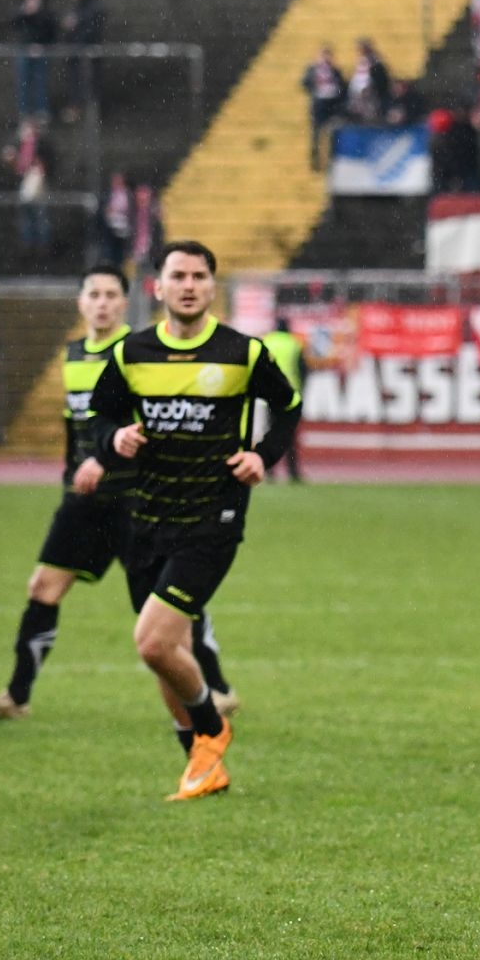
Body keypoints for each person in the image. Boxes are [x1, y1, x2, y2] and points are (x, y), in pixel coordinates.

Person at [0, 268, 236, 729]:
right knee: (42, 589)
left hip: (136, 498)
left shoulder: (143, 354)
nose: (103, 303)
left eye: (112, 295)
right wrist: (75, 470)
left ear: (125, 303)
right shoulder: (73, 356)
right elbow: (80, 427)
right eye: (95, 294)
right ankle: (16, 695)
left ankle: (218, 690)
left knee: (165, 606)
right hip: (86, 500)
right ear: (81, 302)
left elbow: (161, 423)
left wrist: (106, 459)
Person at [86, 242, 302, 801]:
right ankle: (202, 766)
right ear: (157, 287)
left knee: (153, 644)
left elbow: (289, 405)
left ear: (212, 287)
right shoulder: (132, 354)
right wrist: (114, 438)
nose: (188, 285)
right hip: (146, 514)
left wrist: (263, 455)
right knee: (169, 652)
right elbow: (100, 416)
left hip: (213, 515)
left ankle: (211, 728)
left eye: (199, 276)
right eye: (177, 275)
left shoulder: (242, 352)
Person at [260, 318, 306, 483]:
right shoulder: (294, 343)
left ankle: (270, 470)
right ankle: (293, 472)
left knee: (271, 432)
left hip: (271, 395)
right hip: (290, 394)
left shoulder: (267, 341)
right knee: (290, 434)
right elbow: (302, 369)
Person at [301, 45, 347, 169]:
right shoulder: (312, 70)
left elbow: (343, 87)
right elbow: (304, 83)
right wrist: (315, 87)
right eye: (323, 55)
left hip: (332, 106)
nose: (326, 59)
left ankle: (332, 163)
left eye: (328, 56)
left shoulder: (336, 71)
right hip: (318, 106)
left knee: (333, 134)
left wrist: (337, 93)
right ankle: (315, 162)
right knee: (316, 135)